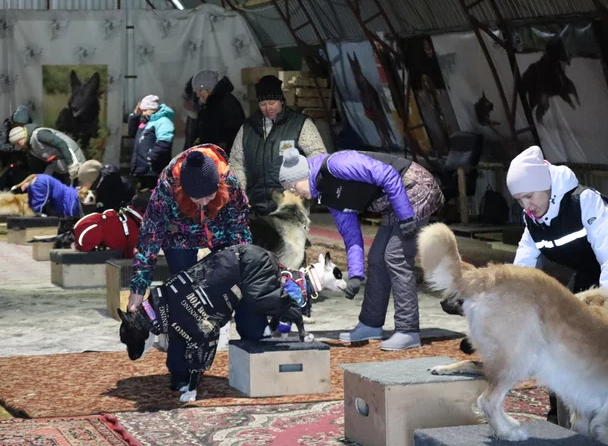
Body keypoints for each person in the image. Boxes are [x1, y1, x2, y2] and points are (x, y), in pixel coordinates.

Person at [279, 148, 445, 350]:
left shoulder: (337, 164)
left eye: (293, 187)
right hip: (394, 202)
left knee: (395, 257)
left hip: (414, 188)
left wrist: (406, 216)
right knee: (376, 258)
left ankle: (408, 331)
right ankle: (371, 324)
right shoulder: (326, 195)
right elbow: (351, 235)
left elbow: (387, 174)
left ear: (302, 175)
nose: (294, 193)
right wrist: (356, 275)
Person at [128, 144, 254, 389]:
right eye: (196, 198)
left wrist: (243, 264)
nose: (202, 203)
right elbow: (149, 238)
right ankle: (180, 369)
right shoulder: (167, 187)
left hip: (221, 233)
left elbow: (240, 225)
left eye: (209, 196)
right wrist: (137, 289)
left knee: (236, 288)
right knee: (181, 301)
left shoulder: (229, 180)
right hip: (179, 236)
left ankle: (251, 352)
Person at [507, 145, 608, 423]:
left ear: (546, 185)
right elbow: (522, 269)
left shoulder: (584, 201)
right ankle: (559, 418)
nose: (526, 205)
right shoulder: (533, 221)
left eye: (529, 195)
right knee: (555, 339)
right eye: (518, 199)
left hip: (605, 274)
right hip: (588, 276)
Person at [230, 75, 327, 215]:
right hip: (255, 206)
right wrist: (239, 193)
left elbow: (317, 156)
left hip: (291, 205)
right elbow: (237, 162)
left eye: (272, 102)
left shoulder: (300, 124)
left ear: (281, 100)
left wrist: (305, 186)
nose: (268, 108)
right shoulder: (247, 128)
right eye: (263, 104)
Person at [8, 123, 86, 184]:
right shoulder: (30, 146)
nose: (19, 146)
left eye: (18, 143)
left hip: (72, 158)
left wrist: (71, 164)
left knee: (78, 186)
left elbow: (61, 144)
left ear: (22, 137)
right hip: (59, 163)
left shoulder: (39, 134)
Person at [192, 70, 245, 154]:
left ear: (209, 89)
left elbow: (233, 135)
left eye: (199, 91)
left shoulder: (225, 104)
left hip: (223, 159)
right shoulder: (211, 105)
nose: (197, 95)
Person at [128, 94, 175, 190]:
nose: (143, 113)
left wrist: (151, 158)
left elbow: (164, 142)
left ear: (153, 109)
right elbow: (132, 133)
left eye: (145, 110)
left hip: (153, 170)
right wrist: (134, 116)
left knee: (153, 195)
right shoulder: (145, 122)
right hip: (142, 169)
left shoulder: (163, 121)